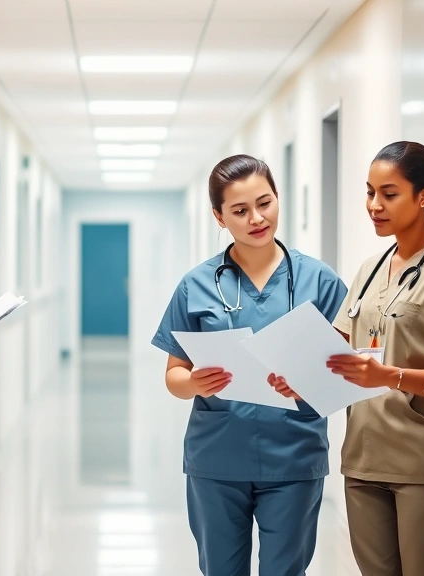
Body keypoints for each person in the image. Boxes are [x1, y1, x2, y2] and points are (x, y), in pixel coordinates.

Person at [273, 141, 424, 575]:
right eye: (369, 192)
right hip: (364, 457)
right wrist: (300, 377)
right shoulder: (369, 267)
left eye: (389, 194)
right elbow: (336, 354)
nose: (374, 205)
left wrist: (390, 376)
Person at [151, 154, 348, 576]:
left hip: (294, 457)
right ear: (219, 217)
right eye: (240, 211)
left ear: (278, 198)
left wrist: (309, 381)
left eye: (265, 203)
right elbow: (174, 376)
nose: (257, 218)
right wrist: (195, 382)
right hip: (217, 458)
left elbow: (345, 371)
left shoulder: (321, 282)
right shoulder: (196, 285)